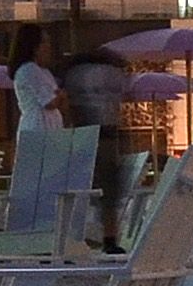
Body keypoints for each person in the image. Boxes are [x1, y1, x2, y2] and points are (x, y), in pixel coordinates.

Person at [55, 49, 137, 249]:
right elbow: (124, 99)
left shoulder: (74, 75)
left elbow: (66, 107)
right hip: (108, 135)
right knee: (109, 191)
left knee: (73, 188)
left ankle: (69, 236)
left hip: (79, 133)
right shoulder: (113, 75)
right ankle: (110, 239)